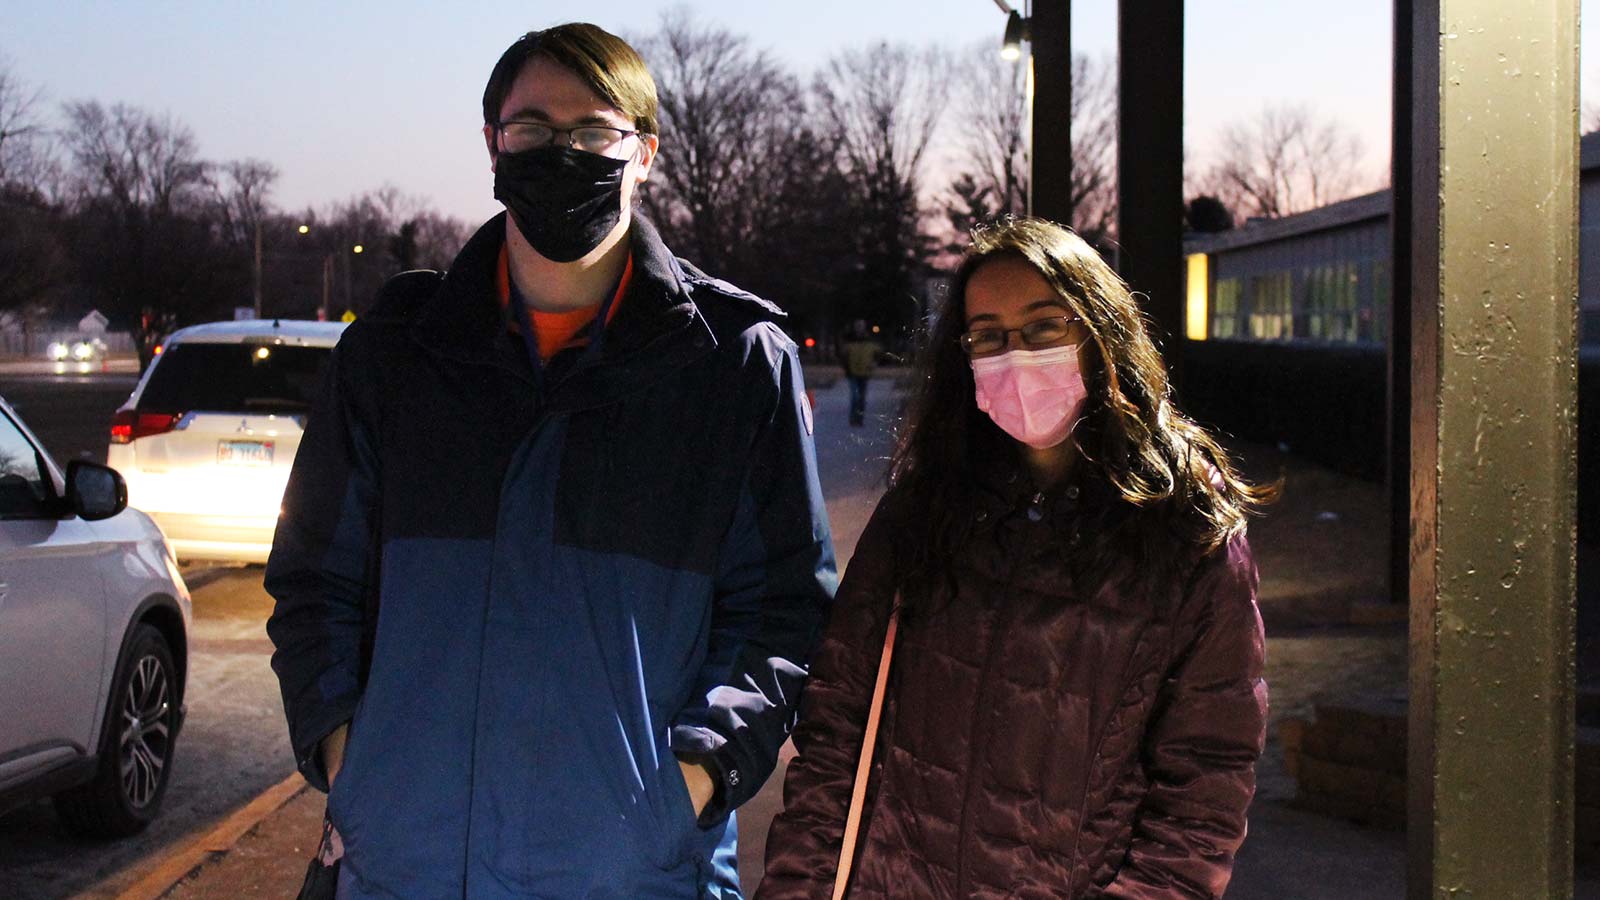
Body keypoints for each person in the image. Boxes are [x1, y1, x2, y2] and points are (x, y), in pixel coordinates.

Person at [265, 23, 837, 899]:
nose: (561, 154)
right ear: (493, 146)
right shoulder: (395, 354)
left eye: (594, 133)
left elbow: (783, 612)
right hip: (403, 865)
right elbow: (314, 581)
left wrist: (692, 784)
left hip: (630, 873)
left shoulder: (732, 364)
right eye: (531, 129)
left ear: (643, 152)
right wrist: (352, 761)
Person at [761, 218, 1274, 899]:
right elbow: (836, 734)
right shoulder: (924, 512)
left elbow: (1203, 792)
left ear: (1101, 332)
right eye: (988, 337)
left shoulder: (1185, 532)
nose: (1016, 355)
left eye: (1043, 328)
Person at [839, 320, 879, 427]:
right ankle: (853, 418)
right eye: (858, 326)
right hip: (852, 373)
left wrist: (873, 364)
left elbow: (877, 353)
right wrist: (846, 368)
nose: (859, 328)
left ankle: (859, 419)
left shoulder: (869, 340)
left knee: (861, 398)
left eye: (861, 326)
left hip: (864, 373)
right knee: (855, 397)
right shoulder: (850, 340)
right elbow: (844, 356)